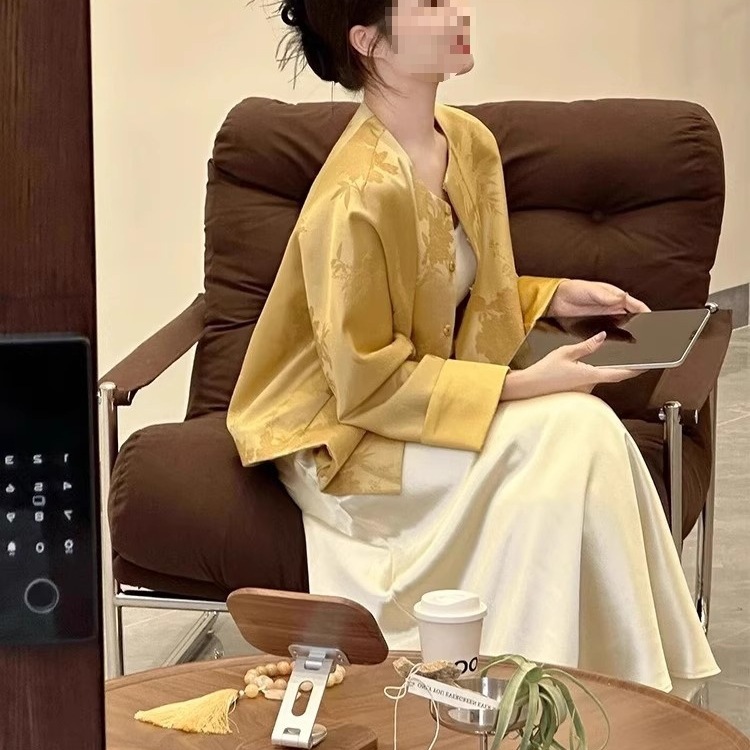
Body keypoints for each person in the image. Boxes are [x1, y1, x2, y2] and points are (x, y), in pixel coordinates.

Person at [228, 0, 719, 692]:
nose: (458, 11)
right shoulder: (355, 197)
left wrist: (554, 295)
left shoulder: (468, 143)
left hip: (421, 402)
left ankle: (580, 689)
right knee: (575, 427)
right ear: (370, 42)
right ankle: (571, 690)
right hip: (343, 437)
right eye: (430, 3)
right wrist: (525, 386)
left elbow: (459, 296)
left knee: (580, 434)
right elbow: (365, 386)